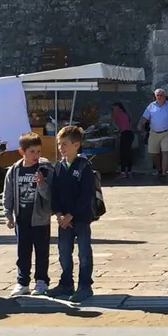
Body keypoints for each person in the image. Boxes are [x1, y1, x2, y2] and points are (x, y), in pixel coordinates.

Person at [50, 125, 97, 303]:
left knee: (84, 252)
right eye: (59, 144)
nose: (61, 148)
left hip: (81, 218)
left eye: (65, 144)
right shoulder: (59, 166)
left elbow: (86, 194)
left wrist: (72, 214)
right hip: (64, 220)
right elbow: (54, 193)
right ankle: (66, 283)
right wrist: (59, 214)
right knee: (63, 252)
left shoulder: (84, 166)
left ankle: (85, 285)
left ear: (76, 145)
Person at [4, 132, 53, 296]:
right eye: (32, 152)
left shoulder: (44, 168)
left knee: (41, 252)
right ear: (22, 151)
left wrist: (42, 184)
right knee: (23, 251)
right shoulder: (14, 171)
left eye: (38, 151)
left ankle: (41, 281)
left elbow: (51, 195)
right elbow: (8, 193)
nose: (36, 155)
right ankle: (22, 281)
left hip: (40, 218)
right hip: (22, 218)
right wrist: (8, 214)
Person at [139, 89, 168, 182]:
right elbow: (144, 117)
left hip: (166, 132)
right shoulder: (151, 106)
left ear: (164, 96)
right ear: (155, 96)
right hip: (153, 132)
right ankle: (160, 169)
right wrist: (140, 124)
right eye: (157, 95)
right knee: (153, 153)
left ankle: (164, 174)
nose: (159, 97)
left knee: (166, 152)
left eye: (161, 95)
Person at [111, 102, 136, 178]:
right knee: (128, 152)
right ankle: (129, 171)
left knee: (123, 153)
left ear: (117, 107)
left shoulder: (117, 113)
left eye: (114, 107)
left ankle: (123, 172)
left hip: (125, 134)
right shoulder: (125, 114)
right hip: (129, 133)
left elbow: (112, 122)